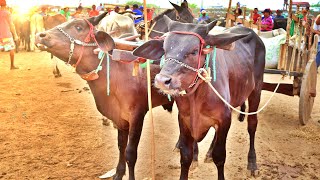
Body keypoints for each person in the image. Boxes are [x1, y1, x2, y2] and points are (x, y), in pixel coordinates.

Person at [0, 0, 19, 69]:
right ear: (5, 5)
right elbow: (11, 24)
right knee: (11, 49)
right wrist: (15, 35)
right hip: (6, 34)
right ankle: (12, 65)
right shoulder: (7, 13)